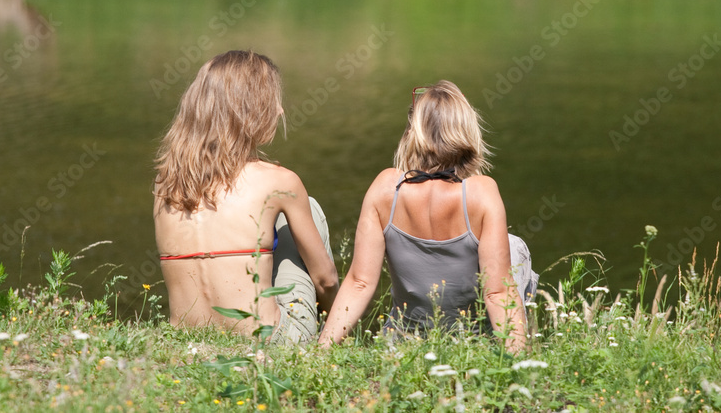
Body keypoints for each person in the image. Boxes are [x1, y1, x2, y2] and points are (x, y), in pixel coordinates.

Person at [318, 80, 534, 353]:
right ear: (465, 130)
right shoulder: (481, 192)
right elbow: (497, 293)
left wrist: (320, 351)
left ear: (413, 133)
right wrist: (520, 366)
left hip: (402, 346)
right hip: (473, 346)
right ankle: (518, 350)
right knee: (515, 247)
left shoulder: (386, 188)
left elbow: (360, 283)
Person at [153, 50, 338, 343]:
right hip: (268, 340)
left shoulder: (166, 182)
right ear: (248, 110)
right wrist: (332, 324)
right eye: (271, 101)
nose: (279, 111)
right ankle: (326, 338)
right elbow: (326, 280)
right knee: (308, 209)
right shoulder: (280, 180)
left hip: (188, 341)